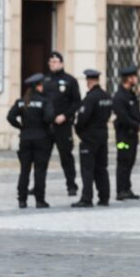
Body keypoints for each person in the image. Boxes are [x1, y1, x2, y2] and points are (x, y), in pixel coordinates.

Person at [7, 73, 55, 208]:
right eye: (42, 85)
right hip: (41, 139)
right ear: (38, 86)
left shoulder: (22, 101)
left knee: (24, 170)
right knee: (40, 170)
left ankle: (22, 200)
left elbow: (10, 117)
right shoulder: (44, 101)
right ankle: (40, 200)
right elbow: (49, 117)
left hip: (25, 139)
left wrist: (21, 127)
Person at [72, 69, 113, 207]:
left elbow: (82, 118)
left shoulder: (90, 98)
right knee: (102, 168)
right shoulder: (106, 96)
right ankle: (104, 197)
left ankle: (86, 198)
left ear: (89, 81)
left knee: (87, 169)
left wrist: (78, 131)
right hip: (102, 135)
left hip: (89, 137)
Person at [44, 51, 81, 196]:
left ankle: (71, 185)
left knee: (66, 156)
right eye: (50, 61)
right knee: (42, 158)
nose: (52, 64)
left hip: (63, 125)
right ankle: (38, 185)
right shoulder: (44, 80)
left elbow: (77, 102)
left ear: (62, 63)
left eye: (55, 61)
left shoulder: (70, 80)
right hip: (47, 126)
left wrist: (65, 116)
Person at [113, 66, 140, 200]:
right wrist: (137, 124)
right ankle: (121, 190)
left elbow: (136, 112)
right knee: (123, 161)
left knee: (130, 161)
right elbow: (123, 117)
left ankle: (127, 188)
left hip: (132, 135)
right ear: (128, 79)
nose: (136, 79)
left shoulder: (132, 94)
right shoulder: (119, 96)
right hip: (122, 137)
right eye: (134, 77)